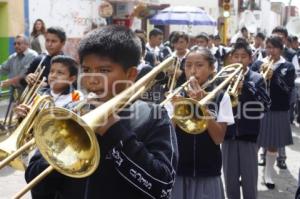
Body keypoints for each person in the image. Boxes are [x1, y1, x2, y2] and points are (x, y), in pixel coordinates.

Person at [25, 25, 178, 199]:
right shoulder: (68, 113)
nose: (92, 80)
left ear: (131, 74)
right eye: (87, 70)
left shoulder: (152, 117)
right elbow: (35, 181)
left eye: (104, 71)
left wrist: (115, 130)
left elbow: (163, 187)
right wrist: (62, 151)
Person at [171, 47, 234, 199]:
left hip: (208, 171)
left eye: (199, 65)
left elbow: (219, 138)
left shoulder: (221, 97)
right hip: (179, 171)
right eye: (188, 65)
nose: (193, 71)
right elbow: (168, 136)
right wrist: (177, 109)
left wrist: (202, 107)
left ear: (212, 68)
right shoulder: (175, 96)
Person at [222, 42, 270, 199]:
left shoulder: (256, 78)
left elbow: (265, 104)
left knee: (250, 181)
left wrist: (248, 87)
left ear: (250, 59)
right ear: (230, 58)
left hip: (249, 136)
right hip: (228, 135)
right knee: (230, 182)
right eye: (236, 56)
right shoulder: (223, 77)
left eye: (243, 56)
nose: (239, 60)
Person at [252, 36, 295, 189]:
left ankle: (268, 174)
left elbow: (288, 89)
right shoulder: (258, 63)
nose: (271, 51)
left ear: (281, 49)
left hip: (278, 110)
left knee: (273, 144)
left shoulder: (288, 66)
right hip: (259, 109)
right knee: (254, 143)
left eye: (274, 47)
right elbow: (251, 85)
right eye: (268, 47)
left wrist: (274, 75)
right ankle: (251, 174)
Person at [15, 55, 82, 118]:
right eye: (51, 71)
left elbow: (70, 115)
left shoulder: (76, 95)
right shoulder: (40, 93)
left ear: (71, 79)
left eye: (60, 73)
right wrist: (23, 113)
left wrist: (37, 113)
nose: (53, 75)